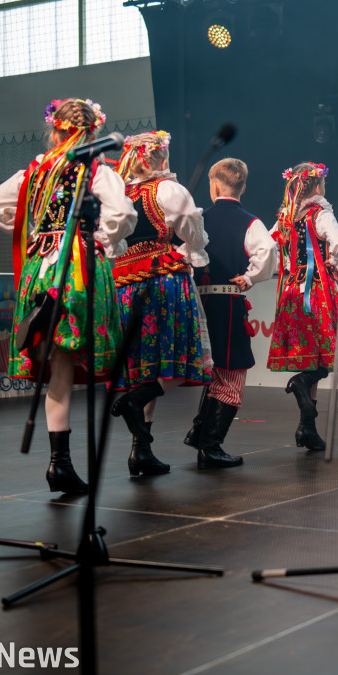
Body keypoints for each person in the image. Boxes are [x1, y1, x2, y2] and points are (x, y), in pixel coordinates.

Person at [0, 98, 136, 494]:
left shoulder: (35, 170)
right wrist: (99, 238)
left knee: (56, 363)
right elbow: (122, 215)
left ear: (55, 130)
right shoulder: (97, 168)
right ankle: (59, 465)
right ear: (94, 132)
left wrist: (36, 234)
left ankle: (59, 464)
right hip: (77, 266)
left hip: (39, 268)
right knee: (64, 363)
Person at [108, 131, 210, 476]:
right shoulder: (167, 189)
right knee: (176, 358)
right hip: (161, 280)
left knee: (140, 363)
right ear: (161, 158)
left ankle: (141, 450)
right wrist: (191, 249)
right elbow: (193, 233)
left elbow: (110, 243)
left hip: (123, 284)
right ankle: (135, 404)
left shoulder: (121, 194)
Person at [184, 158, 275, 468]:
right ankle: (210, 445)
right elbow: (268, 254)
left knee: (215, 372)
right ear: (243, 187)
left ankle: (200, 432)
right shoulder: (251, 222)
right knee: (233, 373)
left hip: (198, 304)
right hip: (227, 303)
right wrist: (249, 277)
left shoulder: (198, 219)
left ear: (213, 186)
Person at [267, 162, 338, 450]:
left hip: (293, 292)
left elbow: (268, 247)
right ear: (317, 186)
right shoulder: (320, 214)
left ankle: (307, 428)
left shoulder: (285, 217)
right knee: (326, 356)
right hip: (317, 290)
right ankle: (302, 383)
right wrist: (334, 261)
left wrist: (288, 267)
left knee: (311, 355)